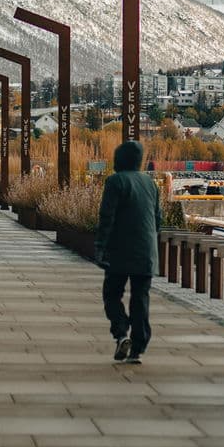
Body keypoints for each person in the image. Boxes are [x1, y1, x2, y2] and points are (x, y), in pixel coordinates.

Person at [96, 140, 161, 365]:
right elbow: (157, 219)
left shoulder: (115, 181)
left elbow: (107, 217)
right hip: (146, 250)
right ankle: (138, 346)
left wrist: (100, 247)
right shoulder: (150, 183)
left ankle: (122, 333)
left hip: (120, 249)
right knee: (140, 298)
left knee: (112, 293)